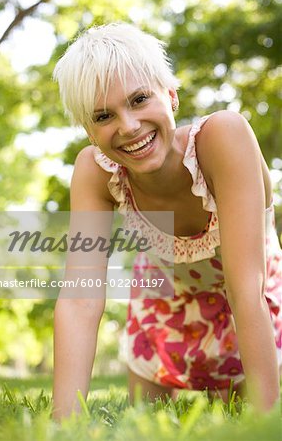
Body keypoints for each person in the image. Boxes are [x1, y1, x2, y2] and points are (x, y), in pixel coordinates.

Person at [52, 22, 282, 421]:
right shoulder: (95, 171)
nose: (128, 126)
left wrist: (269, 419)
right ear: (90, 132)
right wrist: (61, 421)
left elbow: (247, 288)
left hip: (250, 303)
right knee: (149, 422)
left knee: (248, 416)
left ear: (171, 96)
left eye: (140, 99)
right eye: (104, 116)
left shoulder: (223, 137)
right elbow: (79, 299)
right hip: (163, 308)